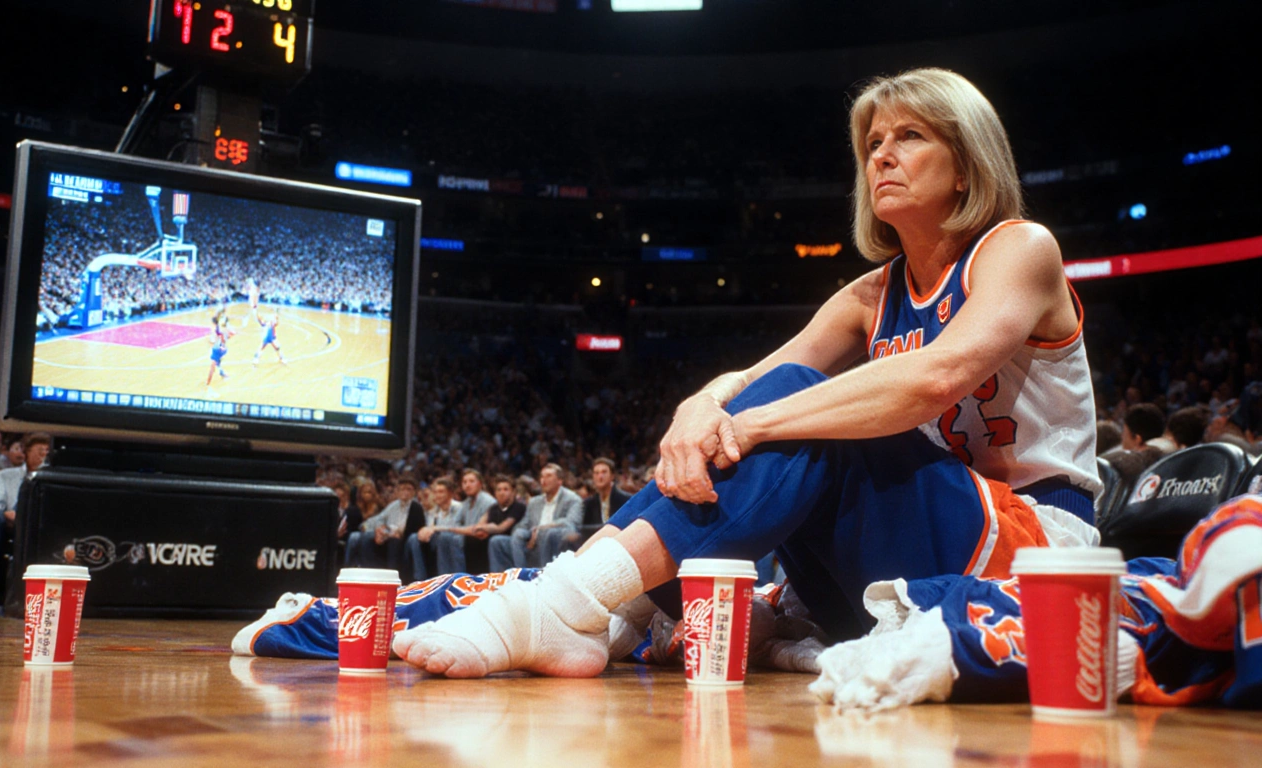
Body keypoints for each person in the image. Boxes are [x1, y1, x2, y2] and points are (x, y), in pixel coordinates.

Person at [394, 68, 1102, 679]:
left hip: (1030, 555)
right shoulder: (870, 294)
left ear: (968, 161)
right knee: (779, 408)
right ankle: (584, 604)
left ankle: (570, 606)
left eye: (910, 136)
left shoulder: (1020, 248)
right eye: (873, 142)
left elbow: (936, 375)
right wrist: (699, 405)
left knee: (800, 412)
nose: (882, 155)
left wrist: (752, 418)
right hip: (909, 552)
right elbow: (752, 377)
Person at [0, 433, 51, 606]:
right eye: (40, 450)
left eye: (47, 451)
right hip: (7, 521)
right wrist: (8, 514)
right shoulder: (4, 476)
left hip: (39, 524)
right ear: (26, 452)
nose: (44, 455)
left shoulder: (54, 478)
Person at [488, 463, 583, 571]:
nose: (543, 480)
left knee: (548, 533)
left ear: (559, 481)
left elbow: (572, 522)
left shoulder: (572, 499)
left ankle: (545, 575)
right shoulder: (534, 502)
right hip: (532, 541)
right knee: (497, 541)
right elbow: (523, 524)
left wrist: (541, 529)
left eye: (548, 476)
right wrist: (523, 534)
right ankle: (517, 575)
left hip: (555, 541)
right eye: (542, 476)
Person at [429, 469, 498, 575]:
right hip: (467, 536)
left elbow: (479, 530)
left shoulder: (488, 501)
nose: (467, 485)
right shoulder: (466, 503)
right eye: (464, 482)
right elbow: (455, 524)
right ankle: (444, 578)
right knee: (444, 537)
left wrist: (442, 528)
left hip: (483, 539)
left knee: (452, 538)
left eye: (471, 481)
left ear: (479, 484)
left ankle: (459, 578)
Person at [349, 476, 425, 571]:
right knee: (366, 537)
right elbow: (379, 519)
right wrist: (377, 528)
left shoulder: (416, 507)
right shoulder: (393, 505)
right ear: (397, 492)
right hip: (388, 535)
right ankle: (368, 571)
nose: (405, 492)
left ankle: (393, 574)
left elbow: (417, 529)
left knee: (394, 542)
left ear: (414, 492)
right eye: (402, 489)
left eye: (409, 489)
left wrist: (398, 533)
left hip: (404, 539)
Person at [561, 457, 632, 551]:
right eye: (596, 473)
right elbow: (583, 530)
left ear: (612, 476)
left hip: (619, 546)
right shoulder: (588, 504)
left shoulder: (626, 500)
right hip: (595, 548)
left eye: (604, 472)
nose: (600, 476)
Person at [405, 477, 463, 582]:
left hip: (453, 539)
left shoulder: (458, 507)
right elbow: (429, 527)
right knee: (414, 538)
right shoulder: (434, 510)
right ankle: (419, 578)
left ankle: (444, 579)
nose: (437, 495)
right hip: (436, 539)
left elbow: (456, 528)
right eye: (435, 492)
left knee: (443, 538)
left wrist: (434, 529)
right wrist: (423, 532)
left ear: (450, 493)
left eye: (441, 492)